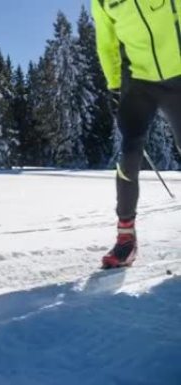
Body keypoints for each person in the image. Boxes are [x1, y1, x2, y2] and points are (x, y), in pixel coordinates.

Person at [92, 0, 181, 268]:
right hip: (139, 83)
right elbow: (106, 44)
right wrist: (114, 86)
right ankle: (126, 240)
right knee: (129, 154)